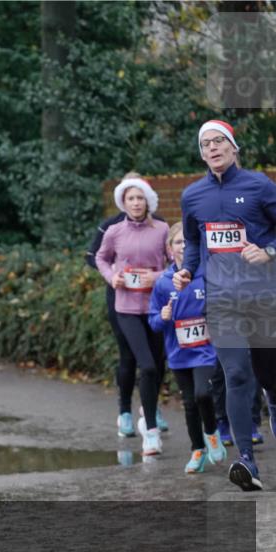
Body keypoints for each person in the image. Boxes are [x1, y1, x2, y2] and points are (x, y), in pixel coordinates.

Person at [173, 120, 276, 491]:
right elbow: (194, 242)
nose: (213, 148)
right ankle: (247, 461)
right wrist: (186, 271)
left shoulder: (259, 186)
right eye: (206, 144)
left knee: (271, 381)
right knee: (235, 375)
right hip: (222, 302)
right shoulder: (193, 196)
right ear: (201, 153)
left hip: (264, 300)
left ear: (234, 148)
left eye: (219, 141)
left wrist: (268, 251)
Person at [86, 172, 170, 438]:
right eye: (131, 198)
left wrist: (155, 277)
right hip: (124, 306)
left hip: (156, 306)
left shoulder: (162, 228)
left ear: (148, 200)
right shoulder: (113, 229)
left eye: (140, 198)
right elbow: (98, 258)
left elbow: (175, 262)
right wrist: (113, 277)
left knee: (156, 362)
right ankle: (125, 412)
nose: (136, 202)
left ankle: (151, 409)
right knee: (135, 360)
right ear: (123, 201)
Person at [148, 223, 227, 473]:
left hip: (205, 350)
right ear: (170, 250)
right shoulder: (162, 283)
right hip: (179, 352)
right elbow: (154, 322)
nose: (183, 246)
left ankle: (212, 433)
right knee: (190, 404)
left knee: (203, 394)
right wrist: (162, 316)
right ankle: (197, 450)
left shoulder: (207, 276)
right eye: (178, 242)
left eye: (188, 242)